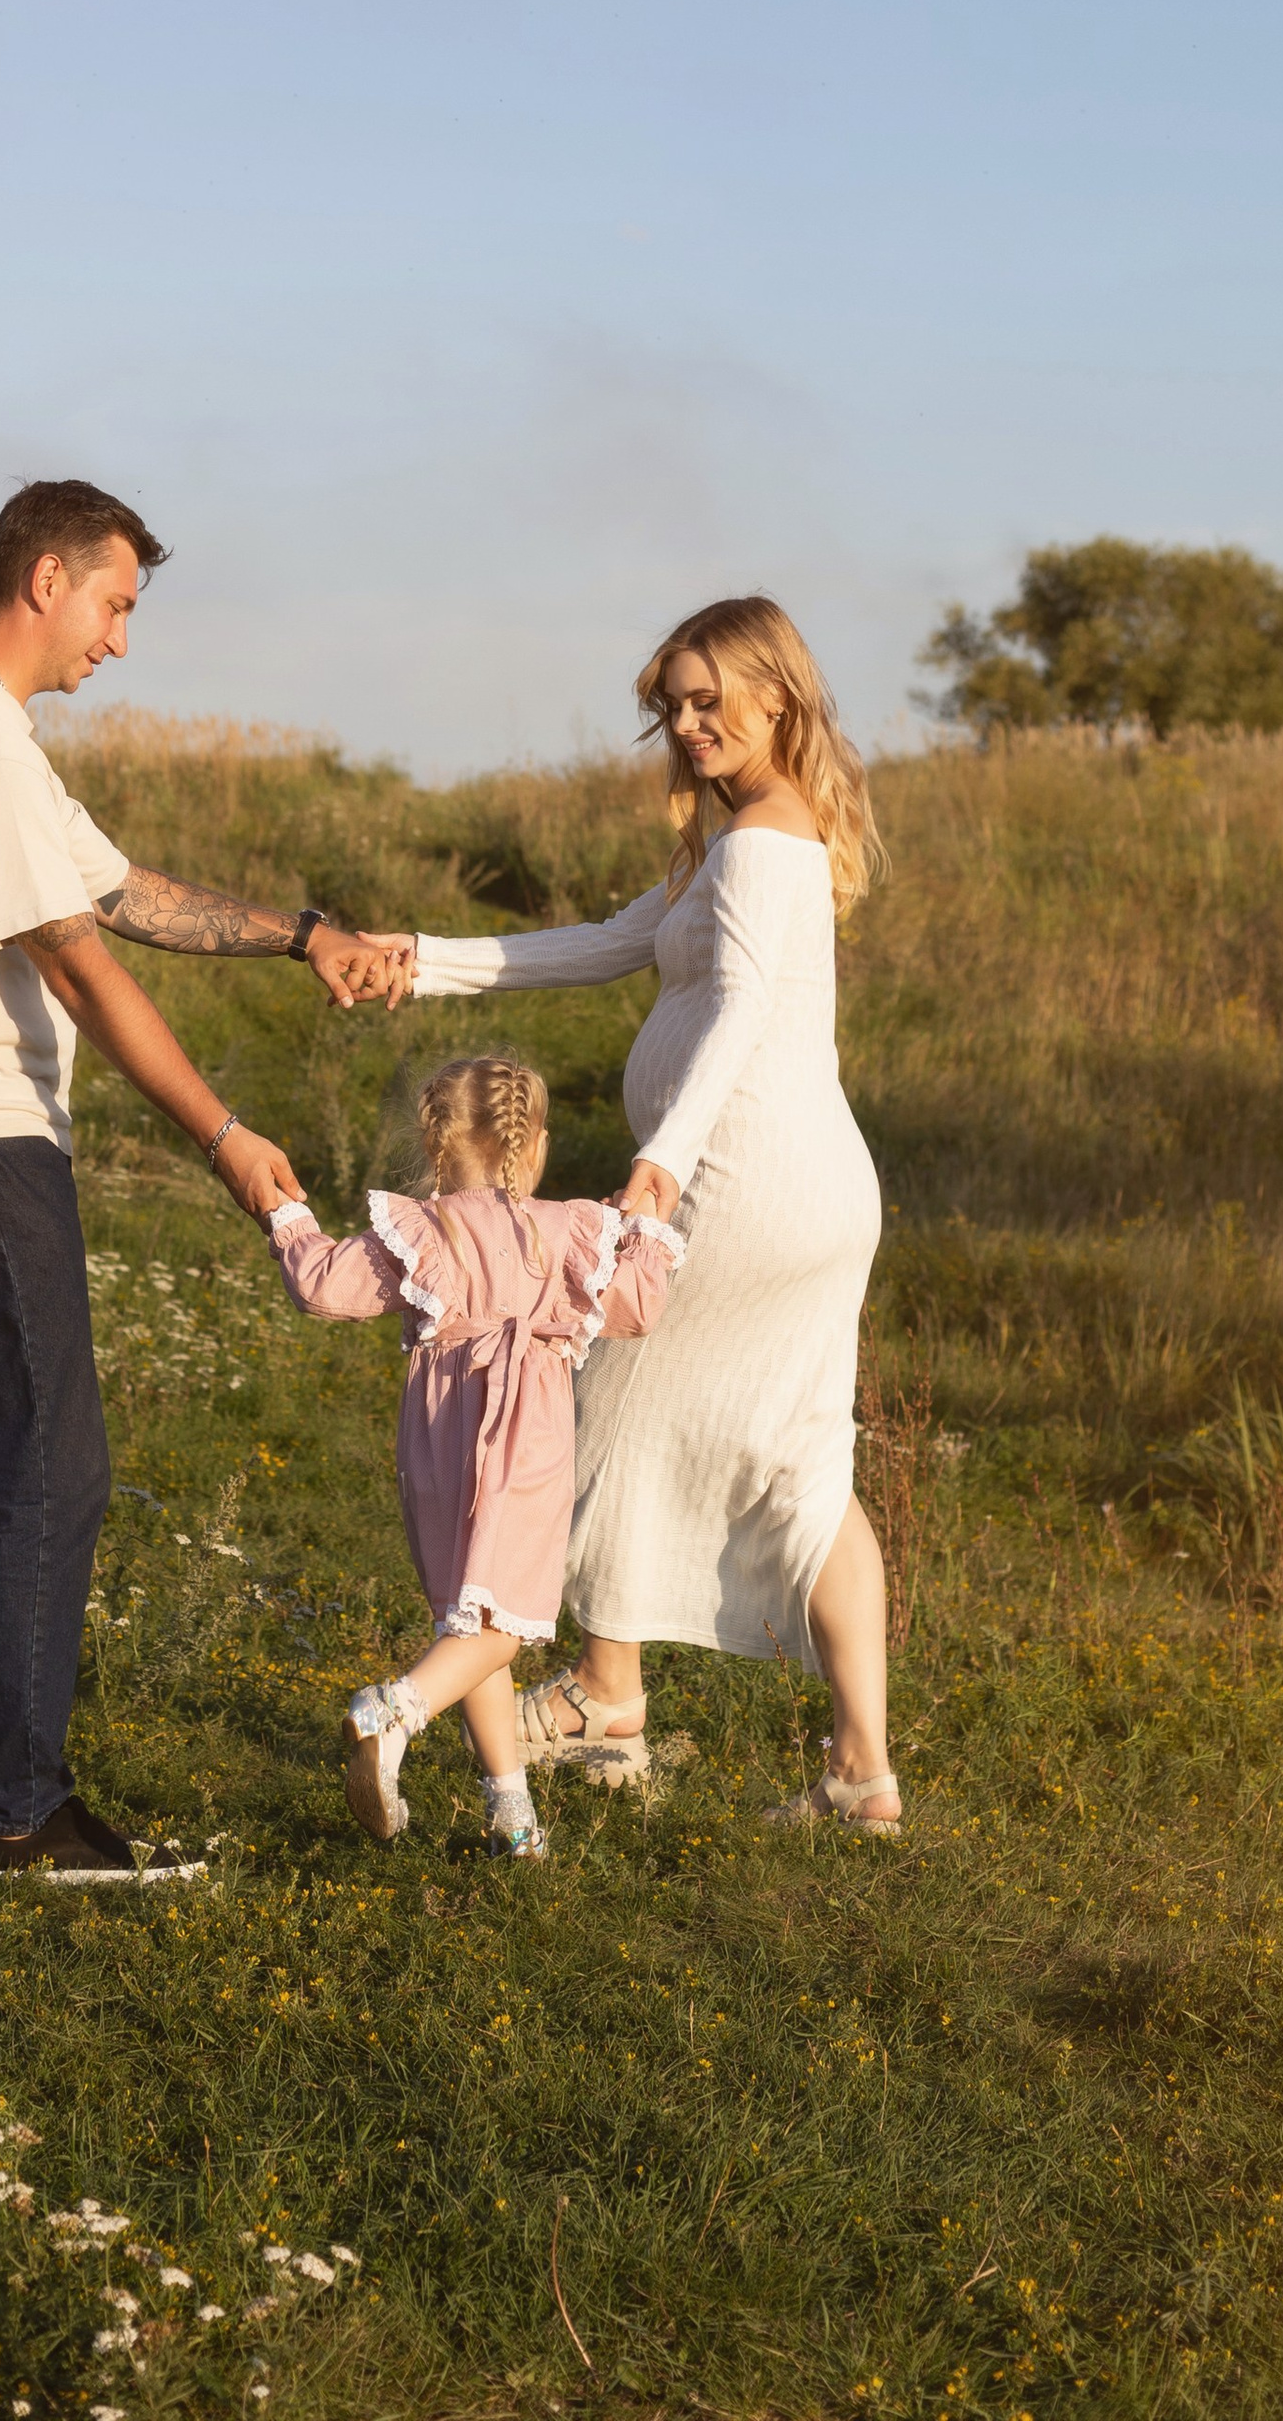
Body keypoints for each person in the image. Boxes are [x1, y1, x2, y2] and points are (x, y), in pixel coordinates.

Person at [0, 474, 411, 1883]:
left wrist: (305, 932)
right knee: (43, 1474)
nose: (123, 641)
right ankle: (17, 1819)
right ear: (46, 580)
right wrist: (227, 1138)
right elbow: (80, 967)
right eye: (117, 603)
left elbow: (125, 894)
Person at [402, 596, 901, 1836]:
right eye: (669, 708)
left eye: (705, 699)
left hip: (745, 1185)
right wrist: (414, 958)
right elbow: (595, 946)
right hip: (804, 1190)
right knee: (805, 1465)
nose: (685, 726)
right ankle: (860, 1777)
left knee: (601, 1401)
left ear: (775, 696)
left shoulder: (762, 845)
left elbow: (735, 1013)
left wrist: (665, 1163)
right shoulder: (747, 840)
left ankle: (606, 1699)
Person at [265, 1055, 682, 1860]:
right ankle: (394, 1712)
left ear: (435, 1141)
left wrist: (287, 1215)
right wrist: (650, 1230)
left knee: (469, 1613)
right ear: (539, 1146)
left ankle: (514, 1819)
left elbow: (321, 1287)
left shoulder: (426, 1229)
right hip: (524, 1433)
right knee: (509, 1623)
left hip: (437, 1433)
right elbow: (638, 1307)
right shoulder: (567, 1231)